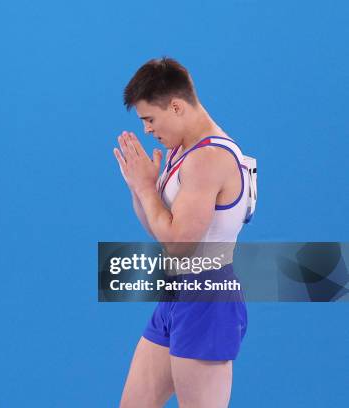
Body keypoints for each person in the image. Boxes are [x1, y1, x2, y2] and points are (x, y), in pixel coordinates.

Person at [113, 57, 250, 408]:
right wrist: (137, 187)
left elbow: (178, 245)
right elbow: (161, 231)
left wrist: (147, 190)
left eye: (149, 119)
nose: (147, 130)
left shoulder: (209, 159)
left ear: (176, 106)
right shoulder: (180, 150)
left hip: (208, 295)